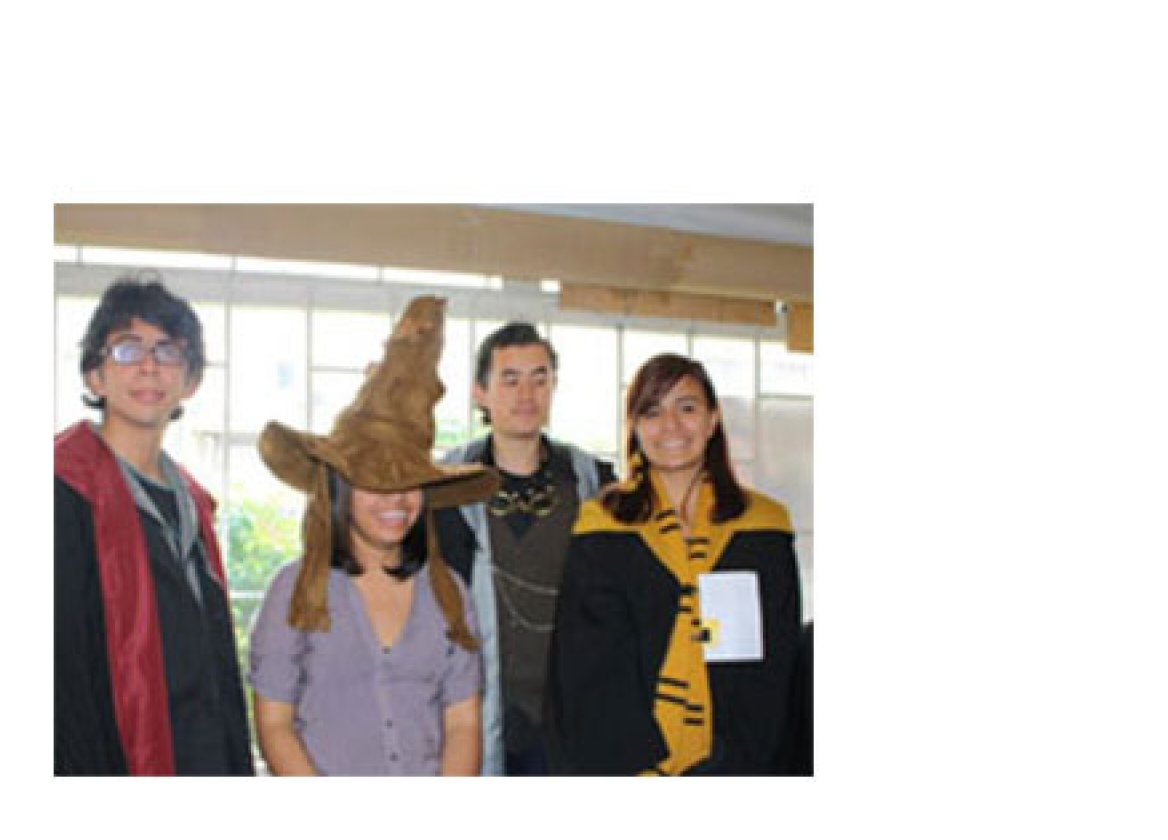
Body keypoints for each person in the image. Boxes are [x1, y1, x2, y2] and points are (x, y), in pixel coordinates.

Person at [249, 296, 499, 776]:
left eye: (409, 482)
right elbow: (275, 722)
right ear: (341, 489)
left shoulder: (449, 594)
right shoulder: (295, 589)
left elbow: (463, 723)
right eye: (375, 482)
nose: (396, 499)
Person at [547, 354, 805, 775]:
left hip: (739, 762)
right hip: (623, 764)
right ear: (635, 427)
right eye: (652, 411)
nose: (670, 426)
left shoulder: (763, 530)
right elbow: (588, 671)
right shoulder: (601, 529)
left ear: (712, 419)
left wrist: (731, 765)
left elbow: (774, 667)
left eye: (686, 408)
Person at [54, 277, 253, 776]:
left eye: (168, 351)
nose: (149, 366)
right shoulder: (62, 491)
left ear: (190, 382)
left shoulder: (194, 505)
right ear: (95, 377)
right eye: (127, 349)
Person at [435, 324, 615, 775]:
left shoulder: (592, 481)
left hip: (572, 707)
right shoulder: (443, 486)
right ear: (480, 392)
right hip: (470, 707)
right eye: (510, 379)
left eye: (539, 378)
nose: (526, 394)